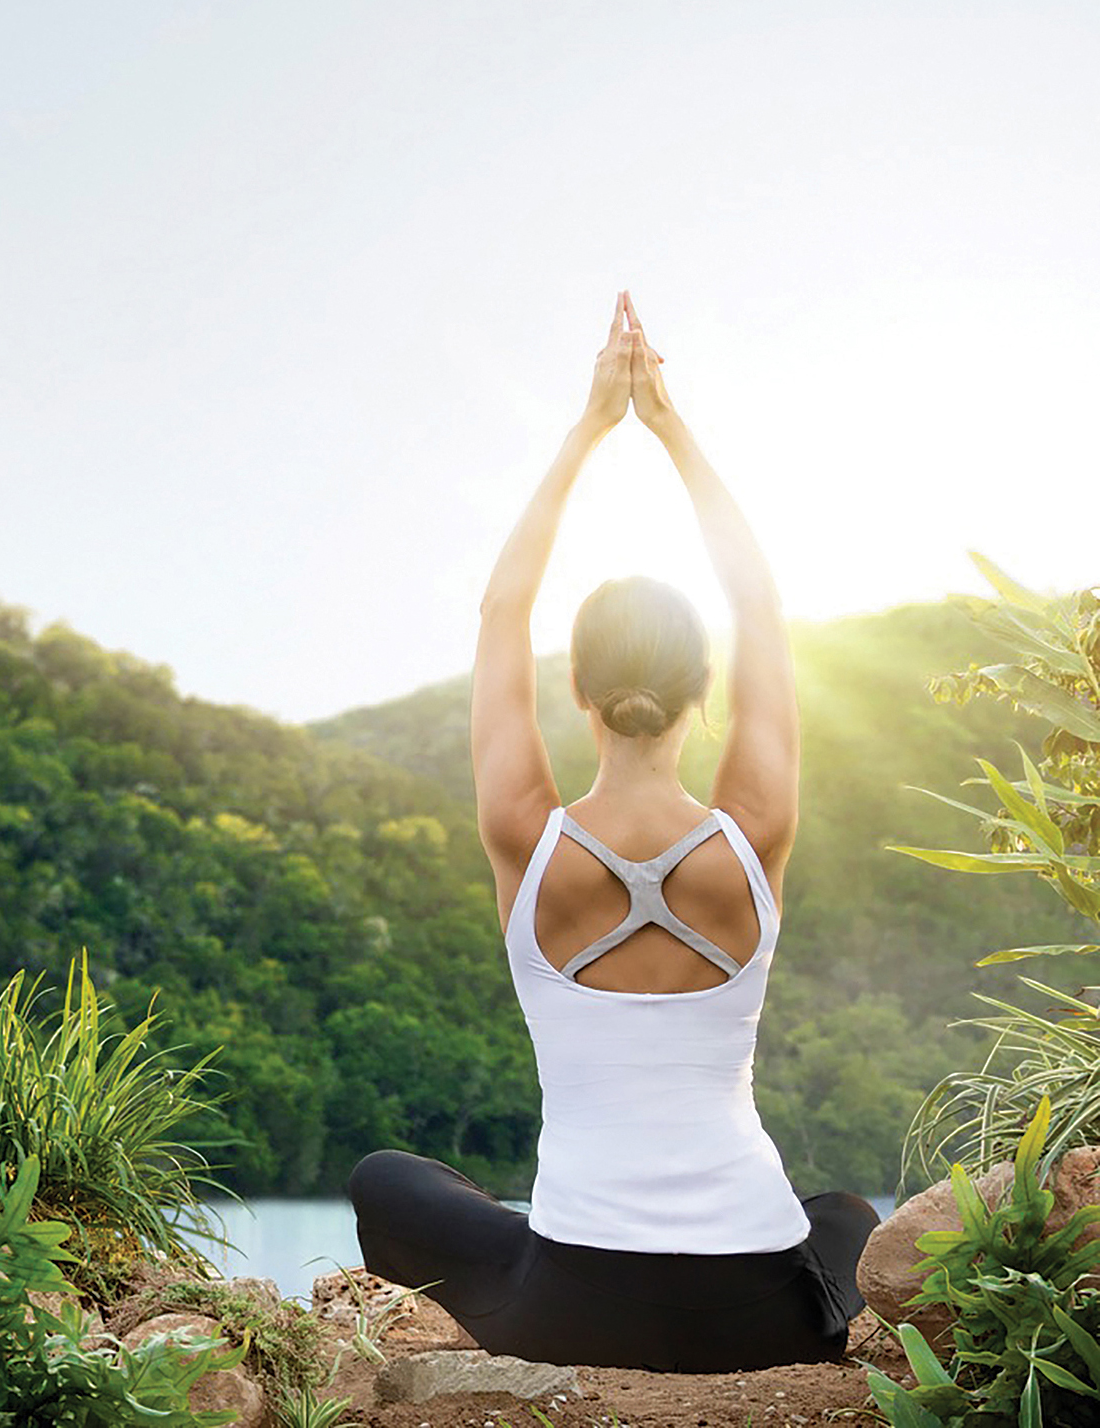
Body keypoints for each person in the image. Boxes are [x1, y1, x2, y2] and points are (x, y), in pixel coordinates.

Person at [345, 292, 877, 1372]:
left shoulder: (524, 836)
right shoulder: (755, 833)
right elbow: (762, 607)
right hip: (759, 1309)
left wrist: (590, 427)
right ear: (702, 697)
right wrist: (671, 427)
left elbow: (502, 609)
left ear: (578, 694)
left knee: (387, 1182)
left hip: (574, 1303)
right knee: (845, 1214)